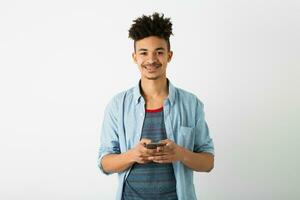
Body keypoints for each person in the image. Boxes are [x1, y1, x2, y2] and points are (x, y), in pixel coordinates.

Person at [98, 12, 215, 200]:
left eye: (159, 52)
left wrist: (180, 153)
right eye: (144, 53)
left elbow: (208, 162)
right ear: (134, 57)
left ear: (169, 56)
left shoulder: (191, 104)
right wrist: (132, 155)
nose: (151, 60)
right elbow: (104, 163)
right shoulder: (117, 105)